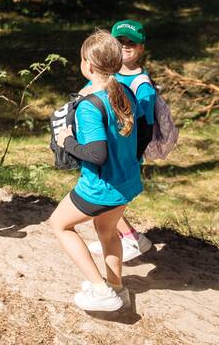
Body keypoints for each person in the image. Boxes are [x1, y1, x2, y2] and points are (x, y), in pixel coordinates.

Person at [49, 30, 142, 312]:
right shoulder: (124, 90)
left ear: (88, 64)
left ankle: (101, 291)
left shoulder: (89, 107)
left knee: (60, 225)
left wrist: (67, 140)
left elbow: (97, 154)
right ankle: (116, 287)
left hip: (100, 187)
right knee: (107, 230)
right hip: (126, 182)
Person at [88, 19, 156, 262]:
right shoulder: (107, 73)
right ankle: (116, 235)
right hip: (99, 146)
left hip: (121, 153)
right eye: (120, 42)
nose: (125, 46)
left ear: (141, 49)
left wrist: (132, 156)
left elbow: (146, 128)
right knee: (105, 196)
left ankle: (131, 238)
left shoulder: (141, 85)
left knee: (109, 196)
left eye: (132, 43)